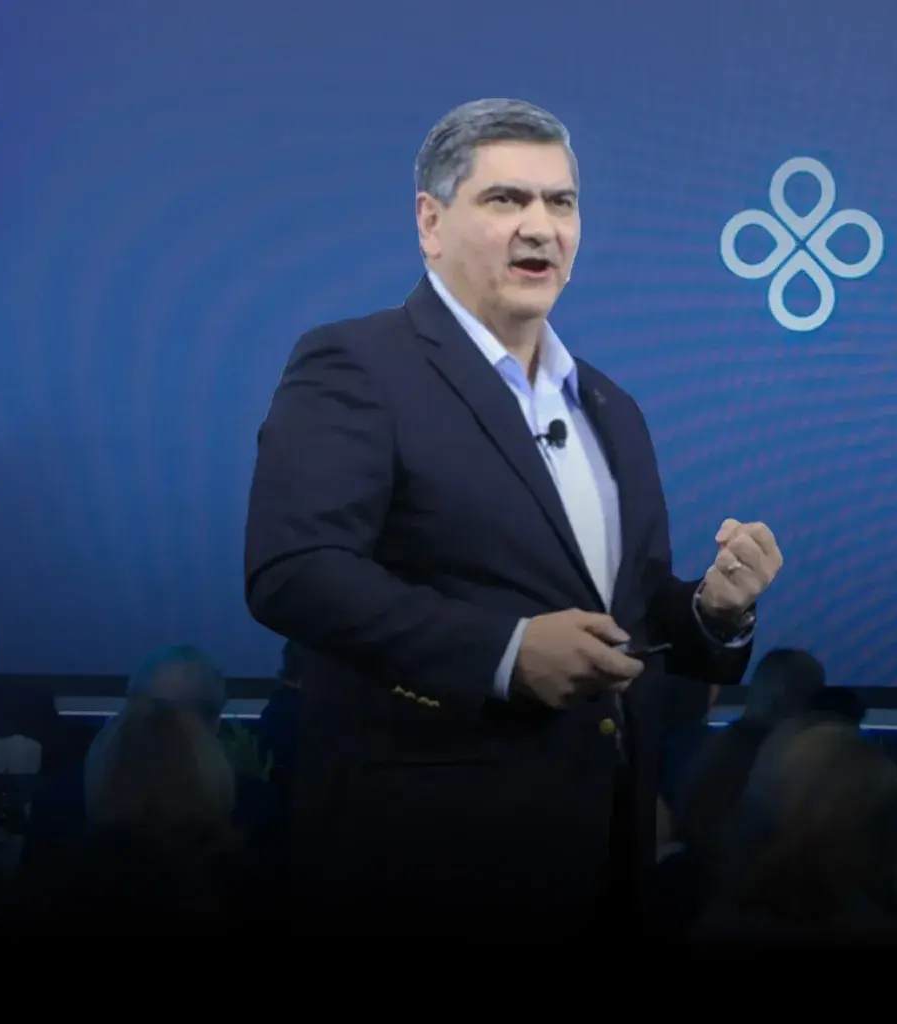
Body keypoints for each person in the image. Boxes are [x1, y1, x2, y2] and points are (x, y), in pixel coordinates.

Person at [244, 98, 783, 933]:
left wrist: (713, 610)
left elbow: (627, 614)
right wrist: (505, 653)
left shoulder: (610, 406)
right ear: (430, 222)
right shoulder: (357, 364)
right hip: (427, 860)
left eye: (560, 202)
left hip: (606, 852)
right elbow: (295, 570)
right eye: (505, 200)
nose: (541, 227)